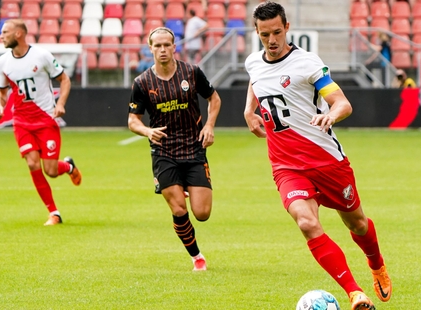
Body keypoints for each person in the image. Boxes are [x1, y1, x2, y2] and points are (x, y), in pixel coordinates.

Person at [243, 3, 391, 310]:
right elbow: (256, 79)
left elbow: (342, 103)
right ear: (256, 32)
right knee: (307, 222)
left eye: (277, 32)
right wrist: (249, 109)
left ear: (287, 26)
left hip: (326, 161)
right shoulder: (253, 62)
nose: (272, 40)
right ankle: (355, 293)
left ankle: (376, 264)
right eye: (265, 34)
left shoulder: (308, 63)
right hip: (286, 165)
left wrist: (331, 116)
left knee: (358, 224)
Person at [127, 27, 221, 271]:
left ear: (174, 46)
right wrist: (147, 131)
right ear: (150, 49)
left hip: (194, 148)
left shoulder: (191, 72)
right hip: (164, 152)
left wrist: (209, 126)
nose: (162, 49)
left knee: (202, 213)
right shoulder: (142, 82)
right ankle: (197, 257)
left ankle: (186, 187)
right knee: (179, 208)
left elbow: (214, 98)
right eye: (157, 46)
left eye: (167, 45)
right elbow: (132, 120)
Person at [0, 19, 82, 226]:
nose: (1, 35)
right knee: (33, 163)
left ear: (18, 34)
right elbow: (2, 91)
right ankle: (54, 213)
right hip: (21, 122)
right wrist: (0, 106)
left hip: (45, 121)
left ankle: (68, 167)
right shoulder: (3, 61)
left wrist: (60, 103)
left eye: (5, 32)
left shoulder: (41, 56)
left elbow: (65, 80)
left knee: (51, 170)